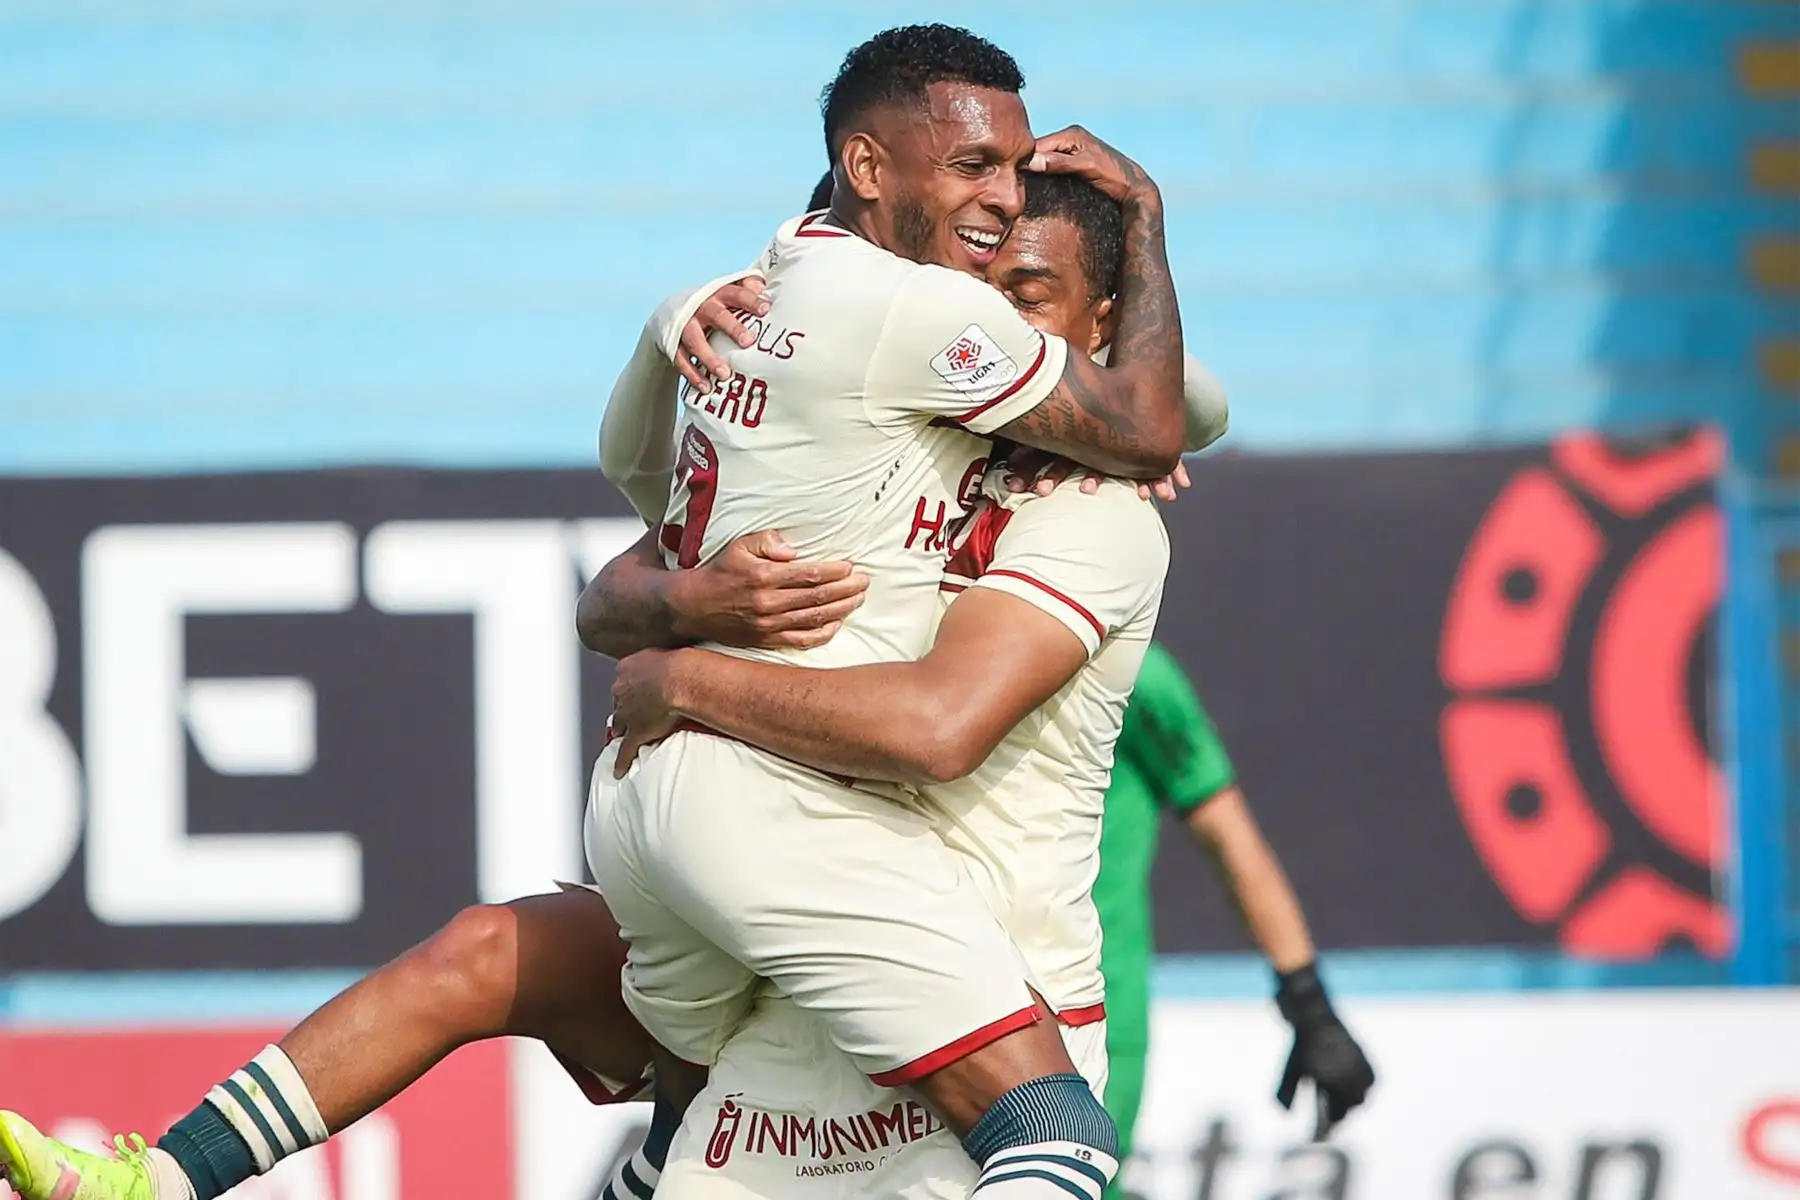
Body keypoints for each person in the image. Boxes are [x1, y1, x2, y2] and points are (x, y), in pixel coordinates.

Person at [576, 21, 1196, 1200]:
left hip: (677, 807)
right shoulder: (915, 324)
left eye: (1016, 171)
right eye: (975, 169)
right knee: (1055, 1140)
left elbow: (615, 546)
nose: (1006, 201)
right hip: (824, 839)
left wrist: (671, 326)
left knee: (640, 1098)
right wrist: (1148, 238)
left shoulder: (784, 301)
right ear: (869, 171)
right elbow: (1159, 421)